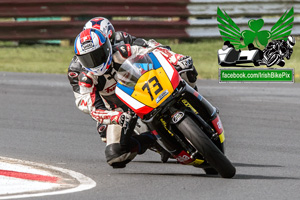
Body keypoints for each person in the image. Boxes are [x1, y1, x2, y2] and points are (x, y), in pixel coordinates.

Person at [68, 18, 198, 167]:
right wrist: (114, 116)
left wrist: (177, 59)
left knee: (185, 70)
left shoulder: (122, 42)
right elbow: (86, 104)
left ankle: (194, 104)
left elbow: (152, 48)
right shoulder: (77, 72)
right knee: (114, 153)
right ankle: (153, 139)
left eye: (109, 44)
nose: (96, 60)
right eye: (88, 58)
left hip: (143, 84)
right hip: (116, 106)